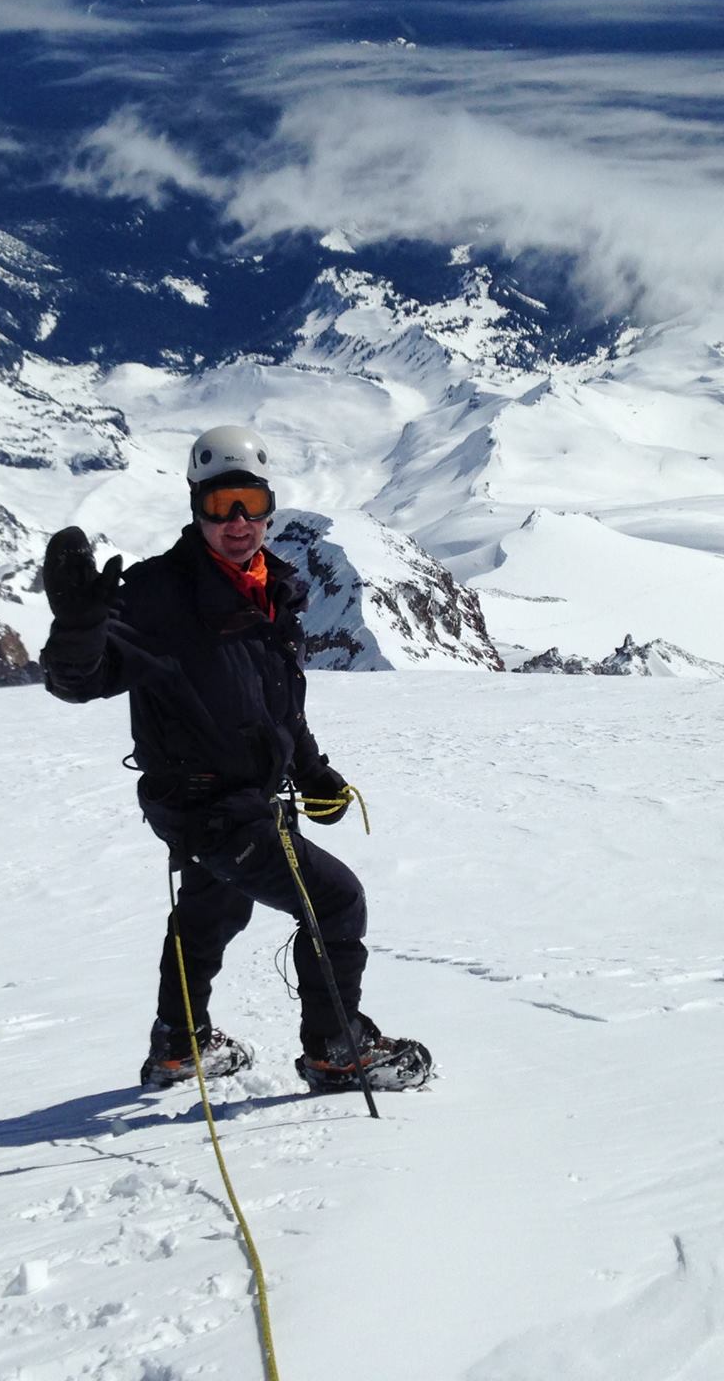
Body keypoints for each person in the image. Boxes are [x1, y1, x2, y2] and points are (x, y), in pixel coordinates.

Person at [39, 423, 433, 1093]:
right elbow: (80, 680)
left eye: (250, 500)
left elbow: (278, 706)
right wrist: (77, 630)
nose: (239, 521)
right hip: (211, 809)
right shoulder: (159, 596)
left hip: (234, 802)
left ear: (271, 505)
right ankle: (337, 1051)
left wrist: (311, 773)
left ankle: (178, 1047)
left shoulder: (271, 589)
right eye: (222, 505)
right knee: (335, 902)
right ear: (196, 508)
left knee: (212, 912)